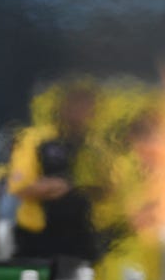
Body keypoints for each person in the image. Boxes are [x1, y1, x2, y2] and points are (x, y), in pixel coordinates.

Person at [7, 79, 103, 264]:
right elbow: (21, 187)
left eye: (88, 106)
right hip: (38, 238)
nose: (83, 112)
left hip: (82, 239)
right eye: (77, 105)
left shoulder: (94, 146)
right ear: (63, 107)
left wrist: (65, 186)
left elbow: (104, 188)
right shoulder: (35, 139)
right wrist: (61, 186)